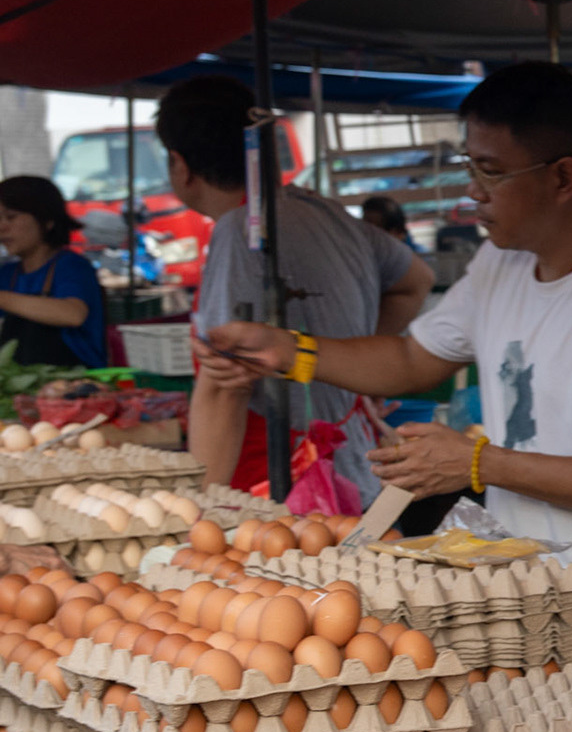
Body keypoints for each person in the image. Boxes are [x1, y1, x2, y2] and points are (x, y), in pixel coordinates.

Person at [197, 62, 572, 660]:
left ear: (563, 177)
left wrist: (477, 463)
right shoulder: (501, 262)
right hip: (518, 605)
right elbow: (412, 359)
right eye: (469, 167)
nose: (474, 191)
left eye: (491, 171)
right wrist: (291, 351)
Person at [157, 75, 434, 504]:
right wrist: (360, 368)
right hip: (353, 464)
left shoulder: (240, 234)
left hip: (282, 487)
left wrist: (203, 507)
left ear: (180, 164)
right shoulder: (327, 212)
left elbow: (226, 383)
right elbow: (416, 281)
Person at [0, 175, 107, 368]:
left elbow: (72, 315)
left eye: (11, 217)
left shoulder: (72, 266)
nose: (2, 227)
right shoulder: (7, 274)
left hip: (77, 380)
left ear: (47, 220)